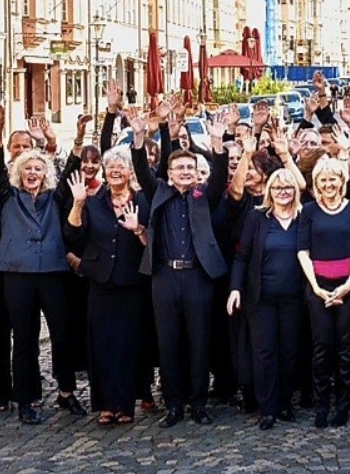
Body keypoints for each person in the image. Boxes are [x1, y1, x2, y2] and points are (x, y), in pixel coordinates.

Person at [130, 107, 230, 429]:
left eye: (190, 167)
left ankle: (199, 403)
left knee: (199, 341)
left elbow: (220, 175)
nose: (185, 171)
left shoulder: (205, 197)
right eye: (179, 167)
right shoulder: (158, 192)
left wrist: (217, 141)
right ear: (170, 173)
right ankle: (173, 405)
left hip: (198, 277)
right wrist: (140, 135)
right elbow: (143, 170)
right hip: (164, 277)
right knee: (168, 342)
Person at [0, 112, 87, 425]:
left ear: (45, 174)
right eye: (27, 169)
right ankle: (27, 398)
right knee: (25, 338)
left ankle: (66, 392)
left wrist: (78, 138)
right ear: (19, 172)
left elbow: (71, 166)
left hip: (51, 274)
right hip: (17, 274)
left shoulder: (54, 198)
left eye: (38, 169)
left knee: (61, 334)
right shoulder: (8, 196)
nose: (33, 173)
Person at [63, 149, 149, 426]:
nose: (115, 171)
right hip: (100, 283)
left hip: (131, 282)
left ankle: (125, 404)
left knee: (128, 344)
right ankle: (105, 404)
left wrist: (138, 230)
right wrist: (77, 204)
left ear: (129, 173)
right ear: (104, 171)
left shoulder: (142, 200)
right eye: (110, 166)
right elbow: (73, 235)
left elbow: (151, 241)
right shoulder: (93, 202)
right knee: (101, 345)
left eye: (120, 167)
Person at [229, 167, 307, 430]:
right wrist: (236, 288)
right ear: (269, 191)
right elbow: (242, 256)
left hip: (294, 297)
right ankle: (267, 408)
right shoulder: (257, 217)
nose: (282, 192)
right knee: (264, 353)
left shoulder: (303, 218)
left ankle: (285, 402)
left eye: (287, 187)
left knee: (288, 351)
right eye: (277, 187)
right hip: (260, 297)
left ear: (295, 191)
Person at [297, 156, 350, 428]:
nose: (328, 184)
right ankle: (322, 404)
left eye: (333, 179)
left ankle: (344, 404)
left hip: (347, 286)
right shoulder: (309, 211)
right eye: (323, 180)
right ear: (317, 182)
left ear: (341, 181)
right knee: (322, 347)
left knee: (346, 349)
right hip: (319, 287)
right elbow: (302, 251)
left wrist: (349, 284)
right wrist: (315, 287)